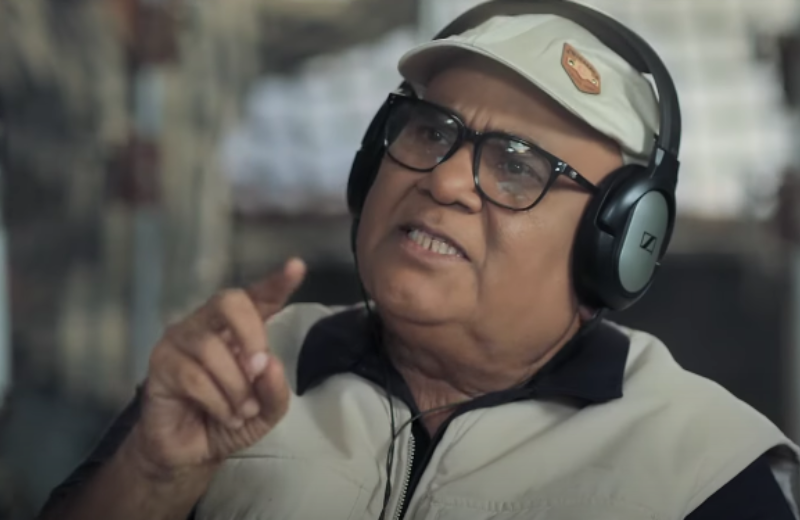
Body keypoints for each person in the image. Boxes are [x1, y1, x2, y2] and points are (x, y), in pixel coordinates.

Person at [38, 2, 800, 520]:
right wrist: (153, 479)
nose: (443, 180)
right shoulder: (237, 370)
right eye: (432, 132)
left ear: (621, 242)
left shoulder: (702, 465)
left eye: (517, 166)